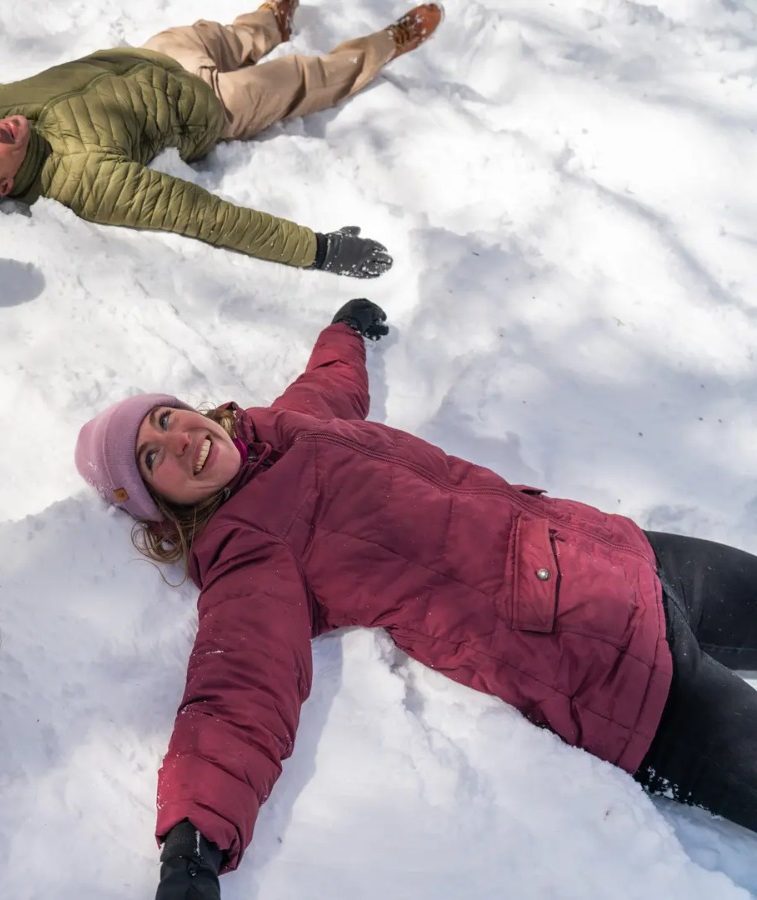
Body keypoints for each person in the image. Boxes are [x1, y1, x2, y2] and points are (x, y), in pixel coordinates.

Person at [74, 300, 756, 898]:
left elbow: (328, 384)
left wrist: (344, 331)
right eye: (153, 456)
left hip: (617, 552)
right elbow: (239, 690)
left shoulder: (283, 426)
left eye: (167, 417)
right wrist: (193, 841)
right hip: (615, 676)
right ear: (157, 507)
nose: (180, 437)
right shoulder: (250, 553)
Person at [0, 1, 446, 277]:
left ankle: (272, 21)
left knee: (235, 34)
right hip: (215, 105)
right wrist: (318, 249)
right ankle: (383, 46)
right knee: (309, 78)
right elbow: (204, 216)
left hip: (160, 53)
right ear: (4, 186)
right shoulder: (86, 180)